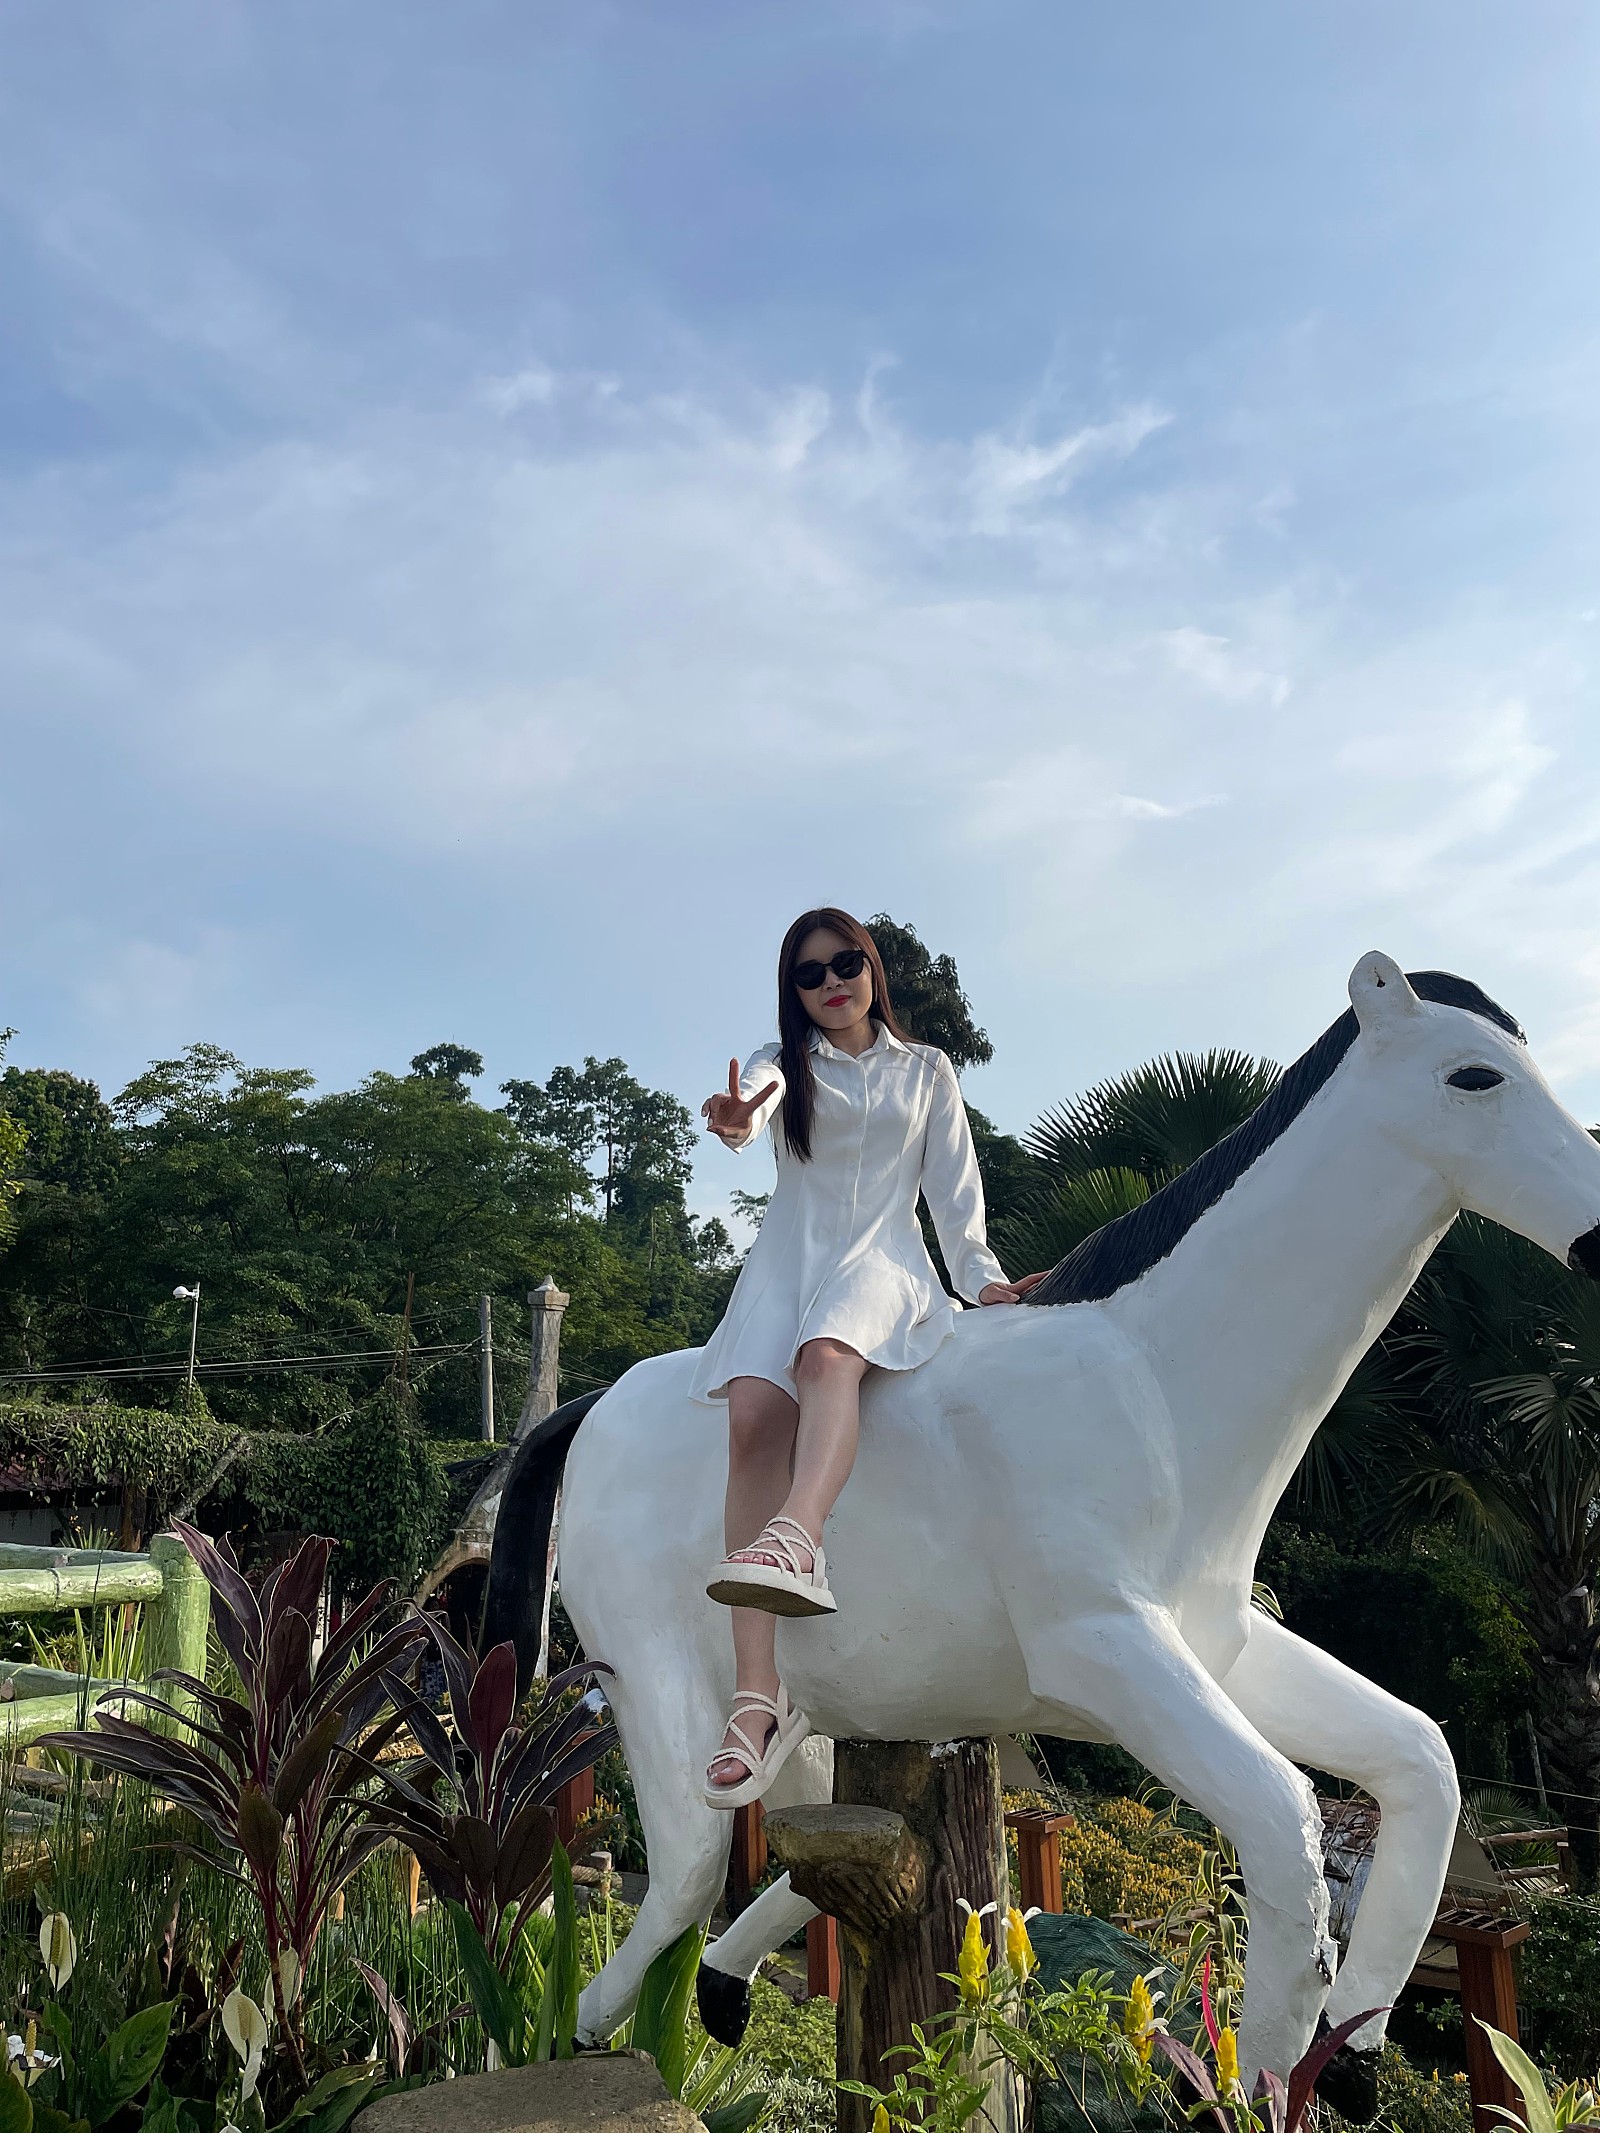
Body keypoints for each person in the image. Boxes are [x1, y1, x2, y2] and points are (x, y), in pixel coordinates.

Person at [692, 906, 1043, 1807]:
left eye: (845, 961)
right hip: (786, 1261)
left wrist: (982, 1282)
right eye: (810, 973)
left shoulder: (927, 1070)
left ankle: (799, 1534)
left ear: (871, 967)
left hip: (882, 1259)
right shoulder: (784, 1064)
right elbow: (753, 1103)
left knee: (825, 1356)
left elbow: (954, 1199)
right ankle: (756, 1698)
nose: (832, 982)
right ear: (794, 992)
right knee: (751, 1418)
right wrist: (736, 1120)